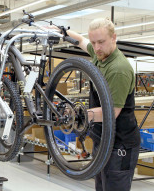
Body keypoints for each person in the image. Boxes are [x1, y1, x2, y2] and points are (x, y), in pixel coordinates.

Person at [53, 18, 140, 191]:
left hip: (119, 144)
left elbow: (111, 113)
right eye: (94, 42)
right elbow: (81, 41)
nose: (96, 47)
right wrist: (60, 31)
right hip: (104, 140)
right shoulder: (101, 55)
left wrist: (77, 114)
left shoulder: (118, 69)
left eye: (101, 42)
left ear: (114, 38)